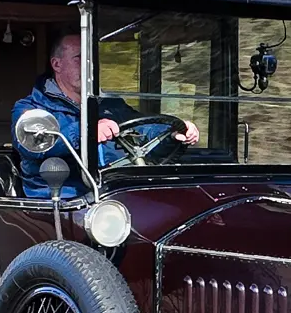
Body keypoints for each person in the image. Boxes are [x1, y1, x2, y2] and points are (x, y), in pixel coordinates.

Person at [11, 34, 199, 196]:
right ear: (57, 64)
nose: (89, 66)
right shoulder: (32, 109)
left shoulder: (109, 104)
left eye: (91, 60)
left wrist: (173, 132)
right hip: (62, 200)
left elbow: (140, 128)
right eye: (79, 58)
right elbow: (32, 145)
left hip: (115, 192)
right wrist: (88, 132)